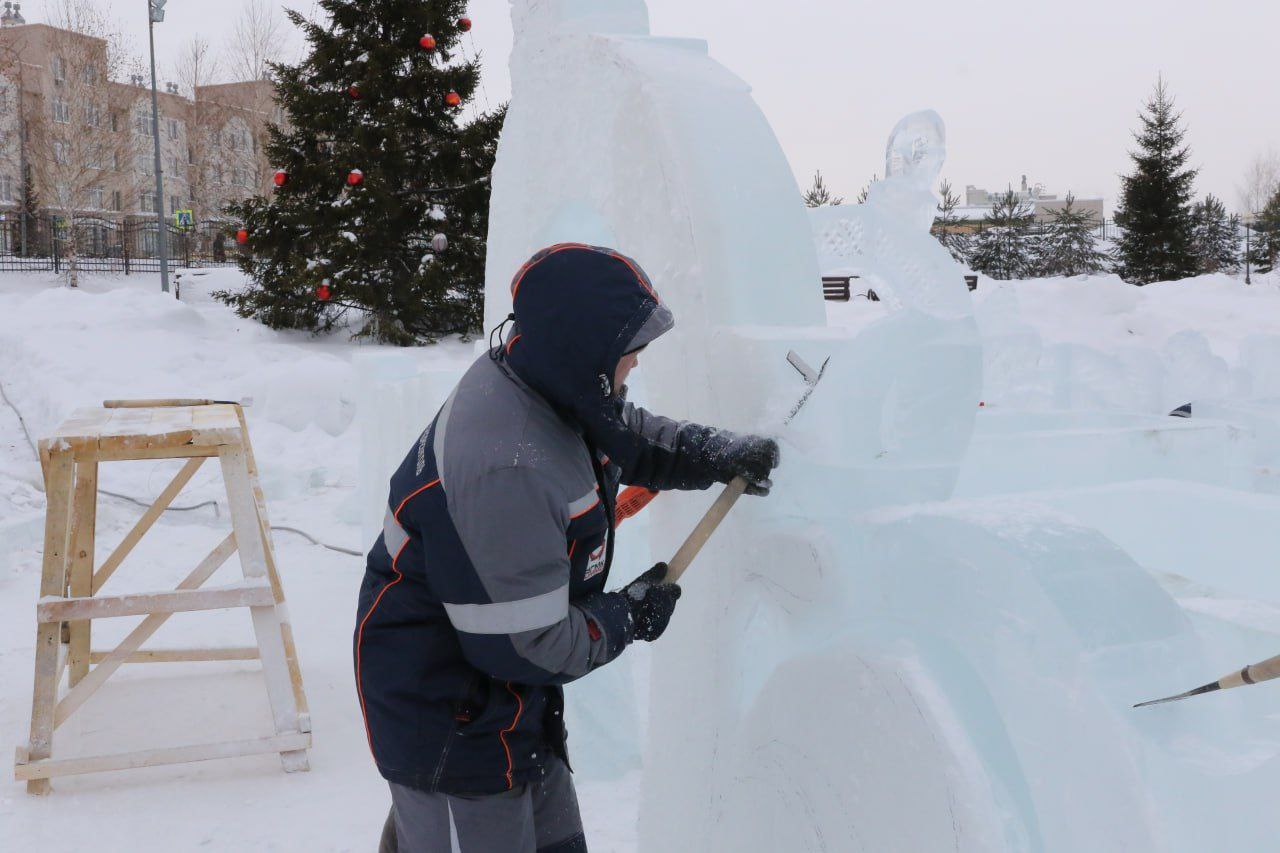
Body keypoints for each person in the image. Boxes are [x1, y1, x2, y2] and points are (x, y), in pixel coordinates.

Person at [355, 244, 780, 852]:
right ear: (583, 355)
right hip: (453, 723)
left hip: (509, 707)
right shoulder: (508, 463)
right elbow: (529, 644)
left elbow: (620, 429)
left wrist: (712, 452)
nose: (633, 367)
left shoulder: (546, 380)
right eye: (627, 357)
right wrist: (626, 615)